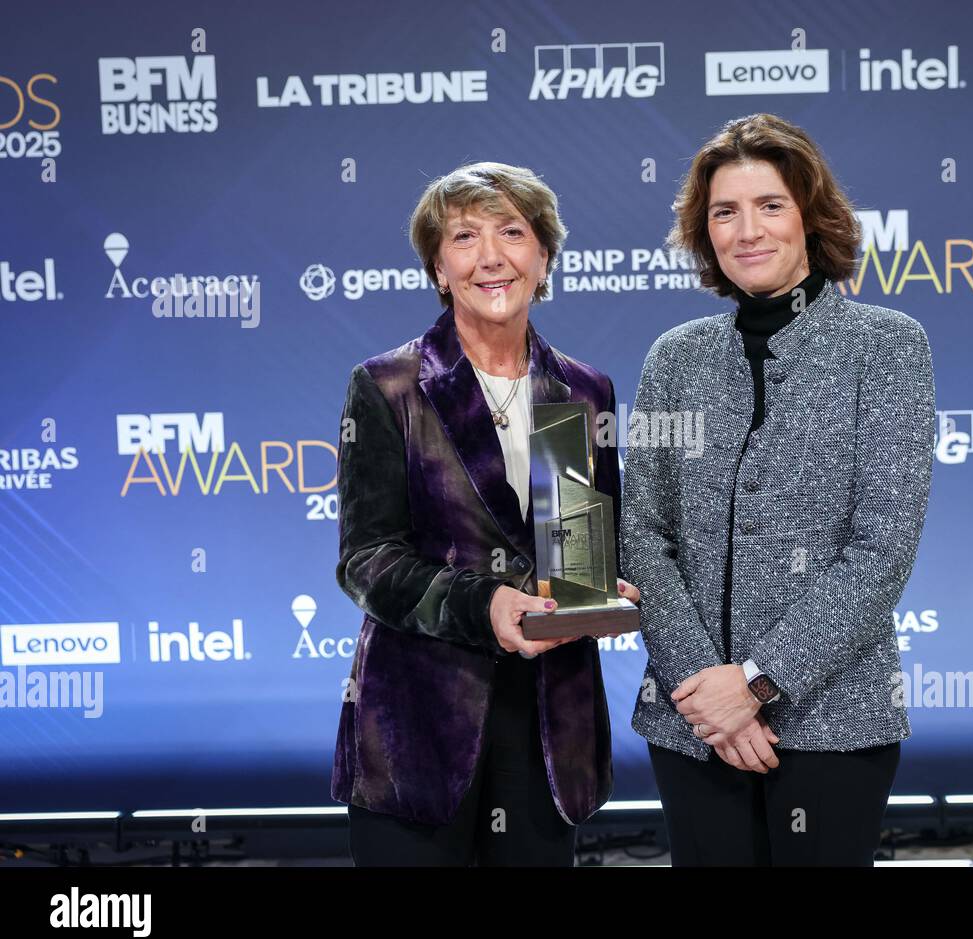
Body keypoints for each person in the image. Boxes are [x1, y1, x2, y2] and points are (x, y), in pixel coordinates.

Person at [621, 114, 935, 866]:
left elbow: (880, 550)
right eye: (724, 212)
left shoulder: (888, 347)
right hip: (693, 727)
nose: (747, 230)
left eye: (769, 205)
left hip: (833, 720)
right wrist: (710, 693)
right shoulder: (676, 358)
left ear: (810, 217)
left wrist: (757, 684)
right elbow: (641, 531)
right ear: (706, 231)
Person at [330, 161, 637, 866]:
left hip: (546, 727)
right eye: (464, 236)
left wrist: (598, 589)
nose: (492, 256)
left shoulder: (584, 390)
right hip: (419, 730)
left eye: (513, 232)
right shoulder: (389, 387)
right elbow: (367, 561)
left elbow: (580, 547)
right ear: (439, 268)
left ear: (544, 257)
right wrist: (485, 604)